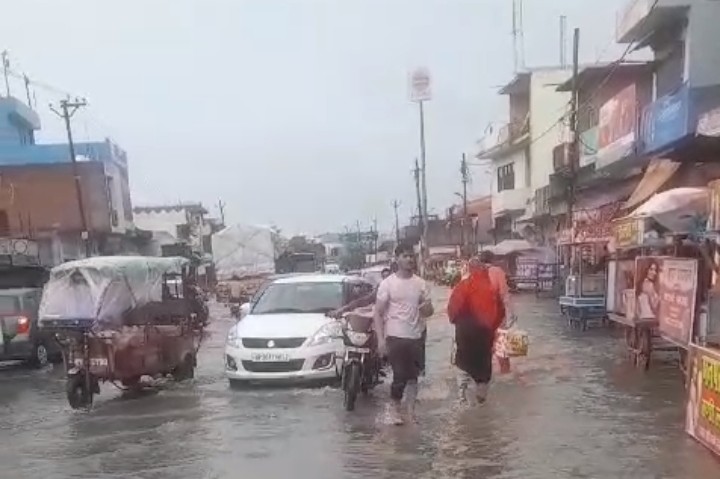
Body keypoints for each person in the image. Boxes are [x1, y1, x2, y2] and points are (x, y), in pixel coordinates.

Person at [374, 244, 433, 425]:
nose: (410, 259)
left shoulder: (420, 284)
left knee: (414, 377)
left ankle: (410, 412)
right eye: (405, 256)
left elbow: (428, 312)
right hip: (395, 335)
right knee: (399, 376)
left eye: (411, 256)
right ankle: (394, 408)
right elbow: (378, 313)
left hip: (416, 335)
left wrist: (427, 307)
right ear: (397, 258)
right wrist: (381, 340)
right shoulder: (388, 284)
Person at [447, 255, 513, 405]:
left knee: (463, 364)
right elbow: (503, 298)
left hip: (464, 333)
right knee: (493, 360)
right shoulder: (495, 276)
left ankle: (463, 397)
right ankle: (482, 400)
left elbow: (452, 312)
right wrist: (505, 321)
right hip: (487, 331)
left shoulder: (463, 283)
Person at [327, 267, 392, 318]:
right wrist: (342, 309)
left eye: (387, 276)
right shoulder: (380, 288)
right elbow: (366, 300)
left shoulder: (397, 287)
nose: (386, 279)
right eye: (384, 277)